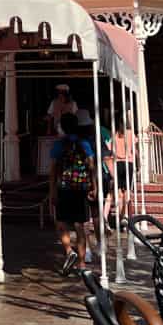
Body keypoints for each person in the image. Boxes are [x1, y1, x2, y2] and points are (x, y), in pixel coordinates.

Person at [49, 112, 95, 276]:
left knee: (61, 223)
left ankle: (69, 251)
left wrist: (52, 191)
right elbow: (91, 166)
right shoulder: (84, 143)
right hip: (81, 189)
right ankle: (82, 264)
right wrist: (94, 187)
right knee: (80, 225)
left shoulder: (59, 145)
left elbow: (53, 170)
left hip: (64, 188)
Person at [113, 113, 137, 223]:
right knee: (127, 190)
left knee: (119, 192)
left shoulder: (115, 134)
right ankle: (126, 215)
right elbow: (135, 151)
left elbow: (112, 151)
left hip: (118, 163)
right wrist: (139, 163)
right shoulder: (131, 134)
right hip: (129, 163)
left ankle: (120, 216)